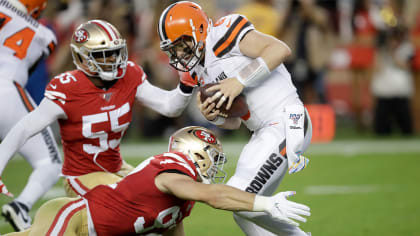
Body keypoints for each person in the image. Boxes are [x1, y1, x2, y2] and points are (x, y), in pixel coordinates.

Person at [158, 2, 312, 235]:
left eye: (182, 45)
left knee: (241, 198)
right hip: (263, 132)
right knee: (240, 207)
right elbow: (236, 121)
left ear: (198, 30)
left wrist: (239, 80)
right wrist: (215, 117)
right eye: (174, 50)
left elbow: (279, 49)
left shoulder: (222, 33)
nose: (179, 54)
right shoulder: (200, 68)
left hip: (288, 119)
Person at [0, 19, 193, 205]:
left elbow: (170, 107)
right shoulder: (68, 88)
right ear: (81, 57)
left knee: (164, 199)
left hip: (116, 168)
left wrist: (186, 83)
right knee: (129, 202)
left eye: (115, 52)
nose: (112, 59)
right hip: (81, 175)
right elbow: (24, 128)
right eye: (102, 54)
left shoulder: (129, 74)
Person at [4, 126, 310, 236]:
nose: (215, 167)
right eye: (213, 158)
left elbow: (172, 229)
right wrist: (265, 203)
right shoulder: (173, 172)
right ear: (195, 154)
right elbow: (214, 196)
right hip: (71, 220)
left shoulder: (181, 200)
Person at [0, 0, 62, 231]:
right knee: (50, 162)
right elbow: (29, 64)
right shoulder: (45, 34)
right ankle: (21, 206)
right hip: (7, 90)